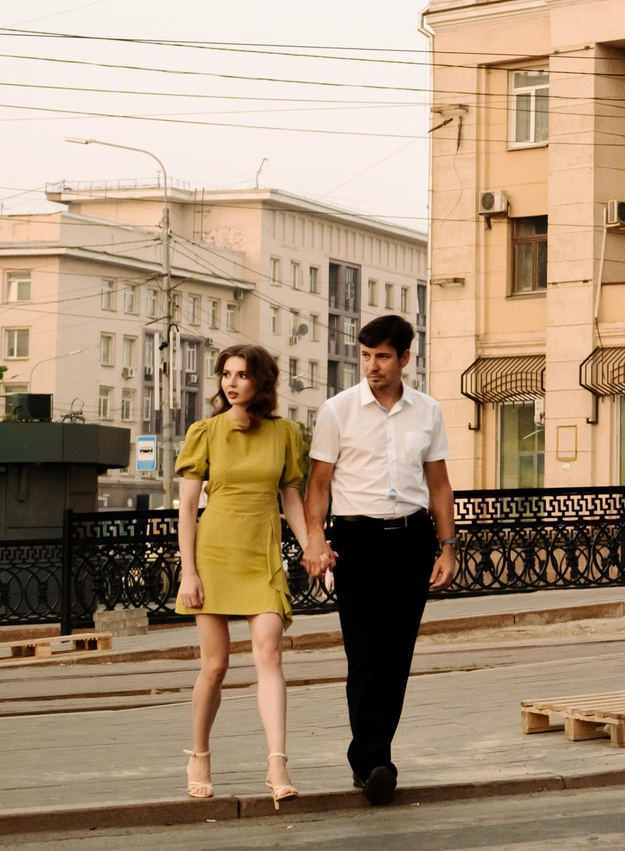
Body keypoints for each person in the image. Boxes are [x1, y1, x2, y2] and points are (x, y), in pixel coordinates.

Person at [301, 315, 452, 807]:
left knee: (398, 655)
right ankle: (375, 764)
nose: (372, 366)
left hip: (411, 540)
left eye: (383, 356)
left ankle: (366, 756)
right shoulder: (337, 410)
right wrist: (315, 541)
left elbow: (439, 484)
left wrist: (448, 546)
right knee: (365, 653)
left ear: (406, 358)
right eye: (366, 356)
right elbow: (318, 486)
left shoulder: (427, 411)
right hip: (356, 541)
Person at [174, 344, 314, 803]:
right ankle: (199, 753)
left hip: (262, 555)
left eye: (242, 375)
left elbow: (290, 496)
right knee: (214, 666)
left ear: (262, 383)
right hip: (214, 554)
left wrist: (314, 545)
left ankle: (277, 765)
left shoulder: (285, 434)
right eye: (226, 374)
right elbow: (189, 510)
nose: (231, 382)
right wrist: (188, 573)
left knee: (270, 655)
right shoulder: (205, 432)